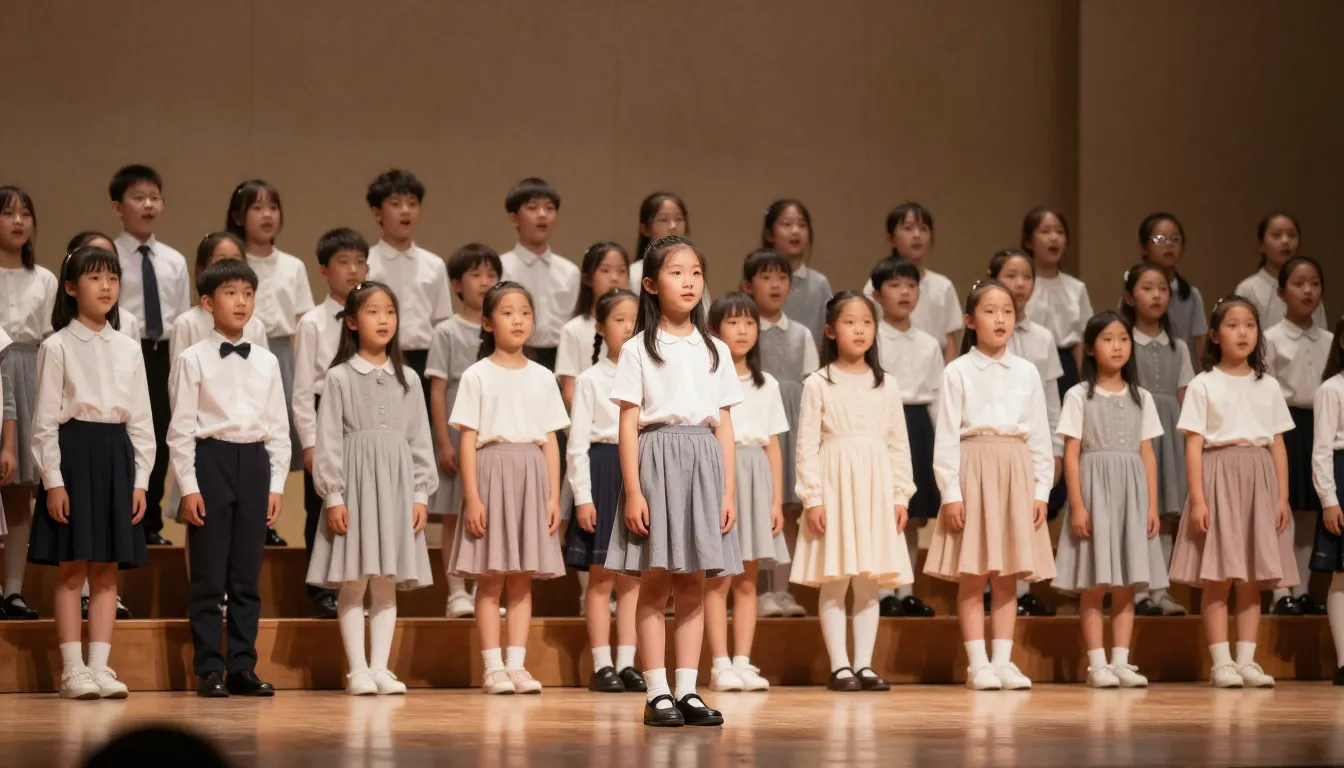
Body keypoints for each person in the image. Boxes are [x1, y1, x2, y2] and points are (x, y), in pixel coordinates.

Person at [605, 235, 743, 727]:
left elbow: (724, 424)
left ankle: (687, 689)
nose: (688, 282)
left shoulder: (716, 349)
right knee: (655, 583)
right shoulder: (638, 349)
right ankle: (656, 691)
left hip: (704, 464)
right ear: (650, 284)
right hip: (657, 461)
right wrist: (634, 491)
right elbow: (628, 423)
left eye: (696, 273)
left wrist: (728, 491)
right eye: (676, 272)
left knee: (694, 584)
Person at [28, 245, 154, 699]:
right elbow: (44, 424)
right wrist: (54, 482)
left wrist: (140, 481)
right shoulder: (57, 345)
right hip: (74, 454)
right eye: (95, 278)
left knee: (106, 571)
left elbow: (142, 421)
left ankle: (100, 667)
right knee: (71, 569)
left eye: (113, 278)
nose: (106, 287)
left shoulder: (128, 348)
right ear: (70, 287)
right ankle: (72, 670)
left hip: (116, 455)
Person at [307, 281, 437, 696]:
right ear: (351, 322)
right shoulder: (339, 377)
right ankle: (357, 670)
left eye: (390, 312)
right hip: (356, 487)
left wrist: (420, 494)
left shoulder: (409, 378)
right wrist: (334, 496)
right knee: (354, 580)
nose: (384, 319)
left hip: (396, 489)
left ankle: (380, 667)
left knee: (385, 581)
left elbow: (420, 439)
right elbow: (328, 440)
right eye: (373, 311)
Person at [924, 280, 1055, 691]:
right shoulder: (957, 371)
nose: (1000, 319)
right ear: (970, 320)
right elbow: (947, 436)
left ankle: (1002, 661)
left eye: (1008, 312)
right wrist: (951, 493)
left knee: (1007, 575)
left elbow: (1040, 435)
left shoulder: (1026, 371)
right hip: (974, 469)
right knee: (973, 573)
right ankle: (977, 663)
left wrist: (1041, 491)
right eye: (990, 311)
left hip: (1016, 470)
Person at [168, 259, 288, 698]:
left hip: (254, 462)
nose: (241, 301)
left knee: (245, 577)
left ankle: (242, 666)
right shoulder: (192, 358)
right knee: (208, 575)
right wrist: (189, 487)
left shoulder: (267, 361)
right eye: (230, 293)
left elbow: (278, 428)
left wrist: (276, 485)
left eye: (248, 293)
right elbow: (180, 430)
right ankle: (209, 669)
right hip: (211, 460)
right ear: (207, 302)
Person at [448, 281, 569, 695]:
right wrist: (472, 497)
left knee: (521, 578)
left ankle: (517, 665)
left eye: (525, 313)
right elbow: (467, 439)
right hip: (491, 474)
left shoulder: (543, 376)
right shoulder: (476, 375)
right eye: (507, 312)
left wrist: (553, 496)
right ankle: (492, 667)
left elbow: (550, 441)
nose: (518, 320)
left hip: (531, 477)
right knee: (490, 577)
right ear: (487, 322)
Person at [1168, 296, 1296, 689]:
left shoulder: (1267, 384)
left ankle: (1246, 660)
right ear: (1214, 335)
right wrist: (1198, 499)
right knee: (1219, 577)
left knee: (1252, 578)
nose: (1243, 332)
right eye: (1233, 325)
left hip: (1259, 479)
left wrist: (1282, 496)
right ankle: (1221, 662)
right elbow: (1193, 446)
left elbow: (1277, 443)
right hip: (1218, 477)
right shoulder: (1203, 384)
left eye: (1250, 325)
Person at [791, 291, 915, 692]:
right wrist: (813, 498)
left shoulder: (887, 383)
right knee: (835, 577)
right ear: (831, 330)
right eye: (849, 322)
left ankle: (864, 664)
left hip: (875, 487)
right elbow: (806, 446)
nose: (859, 329)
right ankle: (840, 665)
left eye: (866, 322)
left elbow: (898, 442)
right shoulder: (818, 383)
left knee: (868, 580)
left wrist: (900, 495)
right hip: (834, 485)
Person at [1052, 311, 1165, 688]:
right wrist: (1078, 505)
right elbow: (1071, 454)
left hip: (1131, 494)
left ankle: (1121, 661)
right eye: (1107, 339)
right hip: (1094, 491)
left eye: (1123, 339)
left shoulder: (1142, 397)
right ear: (1089, 347)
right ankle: (1097, 664)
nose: (1117, 346)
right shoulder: (1078, 395)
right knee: (1094, 582)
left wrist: (1151, 505)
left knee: (1127, 583)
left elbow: (1147, 453)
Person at [704, 292, 789, 692]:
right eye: (733, 322)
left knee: (748, 579)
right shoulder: (708, 379)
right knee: (718, 578)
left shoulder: (766, 383)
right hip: (720, 472)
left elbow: (773, 445)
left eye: (750, 322)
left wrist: (775, 501)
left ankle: (742, 661)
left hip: (756, 476)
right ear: (714, 329)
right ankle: (719, 663)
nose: (743, 330)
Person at [565, 288, 645, 693]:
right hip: (602, 471)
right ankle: (602, 664)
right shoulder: (589, 380)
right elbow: (577, 445)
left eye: (634, 319)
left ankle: (628, 662)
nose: (629, 327)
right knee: (601, 579)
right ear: (600, 328)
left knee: (632, 578)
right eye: (619, 320)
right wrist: (583, 497)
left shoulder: (647, 374)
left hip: (637, 475)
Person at [110, 164, 191, 546]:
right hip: (124, 353)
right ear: (118, 206)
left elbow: (182, 318)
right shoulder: (109, 256)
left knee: (158, 436)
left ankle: (150, 522)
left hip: (163, 355)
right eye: (138, 198)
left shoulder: (174, 260)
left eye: (154, 198)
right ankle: (118, 518)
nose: (148, 205)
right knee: (123, 435)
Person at [293, 228, 370, 618]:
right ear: (324, 270)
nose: (353, 270)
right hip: (326, 413)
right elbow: (303, 390)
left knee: (363, 503)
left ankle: (357, 585)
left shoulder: (374, 316)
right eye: (343, 262)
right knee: (322, 505)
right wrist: (309, 442)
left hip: (364, 415)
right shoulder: (312, 322)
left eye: (360, 262)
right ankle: (321, 587)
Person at [740, 247, 817, 618]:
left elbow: (812, 385)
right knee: (756, 508)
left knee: (788, 509)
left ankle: (782, 591)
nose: (775, 285)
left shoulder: (801, 334)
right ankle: (756, 591)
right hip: (758, 429)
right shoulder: (743, 331)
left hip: (794, 425)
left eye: (782, 277)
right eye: (766, 277)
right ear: (748, 285)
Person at [426, 244, 500, 618]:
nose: (484, 282)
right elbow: (438, 391)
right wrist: (443, 441)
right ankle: (456, 592)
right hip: (458, 432)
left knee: (490, 511)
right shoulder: (446, 331)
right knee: (455, 513)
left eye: (491, 274)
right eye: (475, 274)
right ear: (457, 284)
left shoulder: (501, 327)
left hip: (493, 431)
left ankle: (485, 589)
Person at [228, 179, 313, 495]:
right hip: (237, 351)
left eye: (273, 207)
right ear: (239, 216)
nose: (267, 215)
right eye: (257, 207)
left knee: (278, 434)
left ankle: (269, 506)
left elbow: (303, 323)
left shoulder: (293, 266)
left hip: (281, 355)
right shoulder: (233, 264)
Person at [1120, 263, 1195, 617]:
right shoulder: (1123, 342)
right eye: (1147, 288)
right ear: (1129, 297)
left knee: (1164, 514)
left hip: (1169, 434)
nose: (1156, 296)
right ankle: (1137, 591)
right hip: (1135, 433)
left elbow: (1184, 395)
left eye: (1163, 289)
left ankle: (1160, 589)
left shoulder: (1179, 347)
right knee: (1137, 511)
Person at [870, 257, 942, 617]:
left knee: (912, 515)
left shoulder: (928, 343)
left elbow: (938, 395)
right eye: (895, 285)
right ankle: (884, 592)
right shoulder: (872, 337)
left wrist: (941, 444)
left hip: (918, 424)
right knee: (885, 510)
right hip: (882, 425)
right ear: (876, 294)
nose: (904, 292)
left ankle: (907, 589)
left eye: (911, 285)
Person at [1263, 257, 1330, 615]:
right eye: (1299, 283)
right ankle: (1279, 591)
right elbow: (1263, 390)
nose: (1307, 291)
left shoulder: (1330, 340)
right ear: (1281, 292)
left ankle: (1302, 590)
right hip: (1283, 426)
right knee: (1283, 508)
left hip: (1320, 424)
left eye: (1314, 283)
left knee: (1309, 510)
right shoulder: (1270, 338)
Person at [0, 185, 54, 619]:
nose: (18, 221)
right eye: (7, 213)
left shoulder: (45, 279)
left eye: (25, 213)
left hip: (31, 373)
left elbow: (52, 341)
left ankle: (13, 591)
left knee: (21, 493)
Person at [365, 169, 454, 390]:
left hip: (425, 359)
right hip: (379, 356)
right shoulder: (366, 263)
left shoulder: (434, 264)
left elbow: (442, 322)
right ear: (377, 213)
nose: (406, 211)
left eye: (412, 204)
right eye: (395, 204)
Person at [498, 177, 579, 370]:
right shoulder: (500, 268)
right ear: (514, 218)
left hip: (561, 359)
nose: (542, 214)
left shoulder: (570, 271)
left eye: (549, 208)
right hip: (514, 355)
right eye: (532, 208)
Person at [876, 203, 960, 362]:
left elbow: (950, 341)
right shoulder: (877, 284)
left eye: (923, 229)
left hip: (932, 364)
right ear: (891, 239)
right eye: (908, 228)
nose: (916, 235)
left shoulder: (943, 286)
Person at [1022, 206, 1092, 394]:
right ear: (1029, 241)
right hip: (1028, 361)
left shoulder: (1076, 288)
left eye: (1060, 232)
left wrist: (1083, 381)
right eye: (1045, 231)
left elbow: (1081, 341)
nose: (1054, 238)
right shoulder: (1021, 286)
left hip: (1066, 365)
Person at [1309, 314, 1344, 684]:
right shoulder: (1332, 389)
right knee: (1342, 575)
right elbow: (1321, 451)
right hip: (1342, 479)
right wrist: (1329, 499)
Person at [1234, 213, 1327, 330]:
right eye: (1276, 235)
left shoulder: (1309, 288)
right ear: (1261, 245)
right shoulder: (1249, 289)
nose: (1285, 241)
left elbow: (1321, 331)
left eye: (1292, 235)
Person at [1133, 213, 1206, 360]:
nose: (1170, 244)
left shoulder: (1191, 295)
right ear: (1144, 248)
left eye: (1175, 239)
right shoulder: (1133, 291)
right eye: (1160, 239)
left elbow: (1201, 343)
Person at [763, 199, 830, 356]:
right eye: (786, 224)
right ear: (769, 234)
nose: (795, 231)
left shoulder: (819, 284)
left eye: (802, 225)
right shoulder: (758, 280)